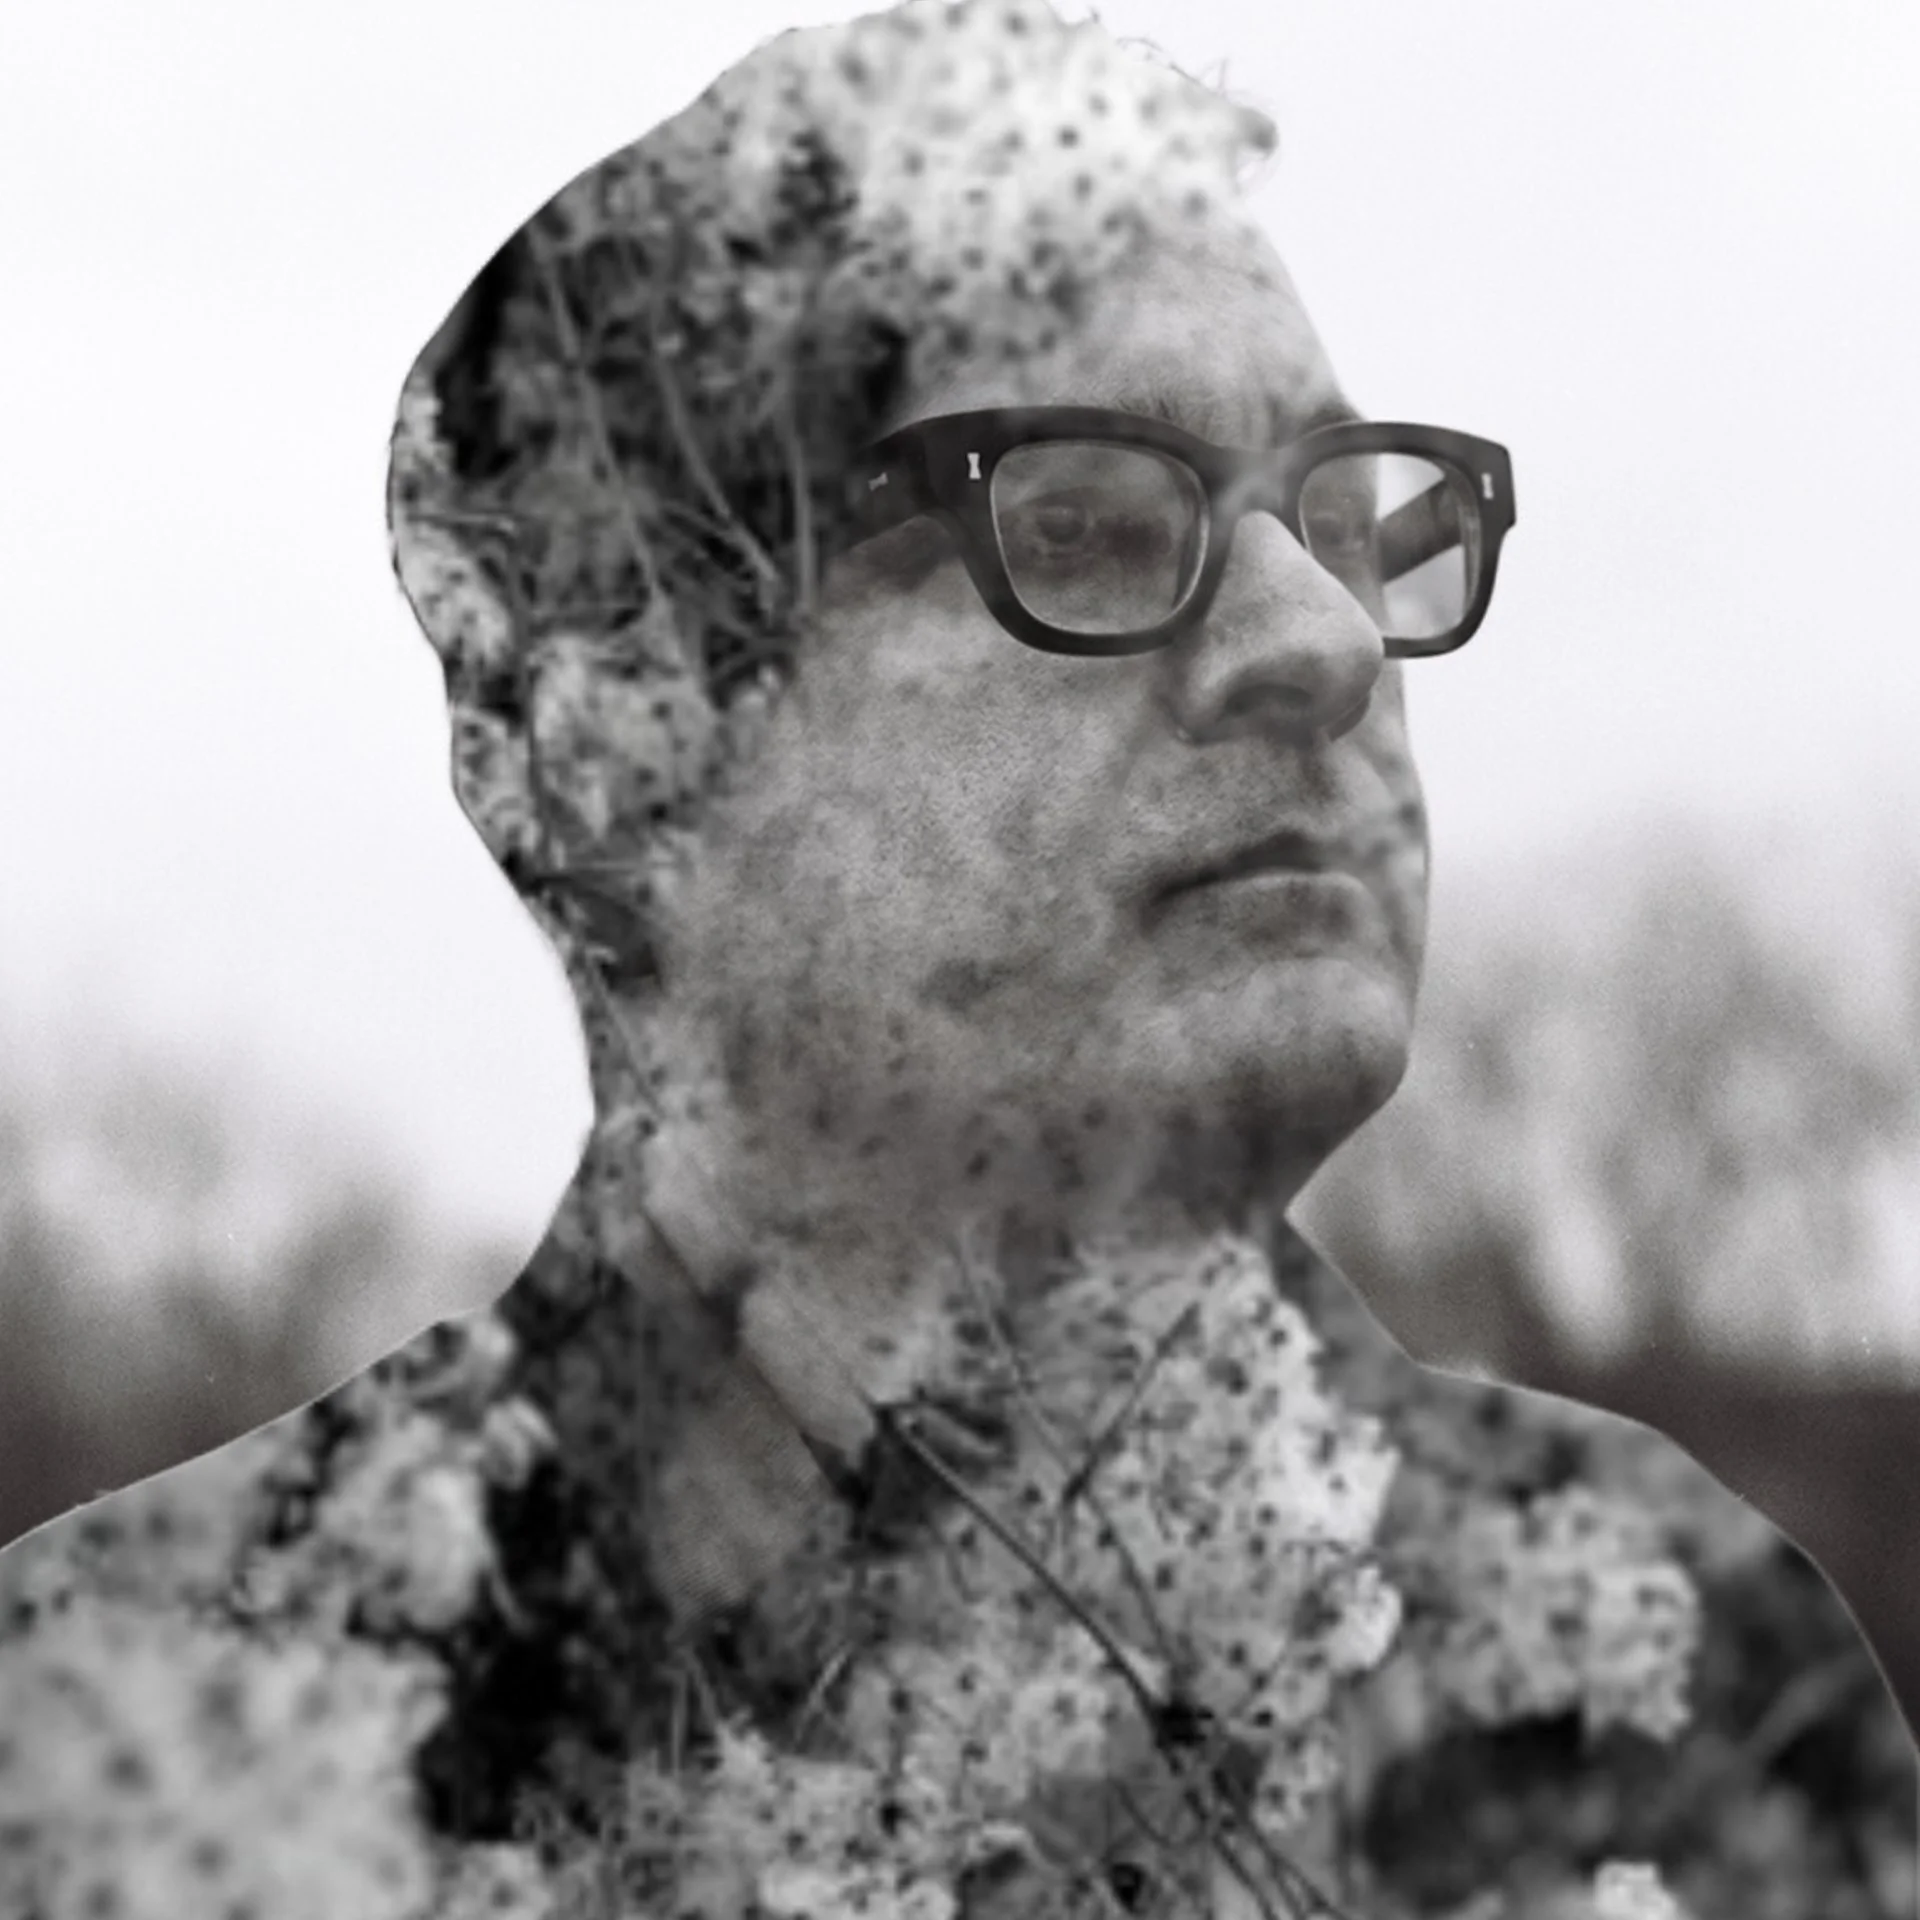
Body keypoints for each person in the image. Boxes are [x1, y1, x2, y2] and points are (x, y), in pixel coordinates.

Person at [3, 3, 1913, 1915]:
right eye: (1079, 525)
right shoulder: (111, 1767)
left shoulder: (1688, 1677)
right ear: (605, 755)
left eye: (1345, 522)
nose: (1325, 639)